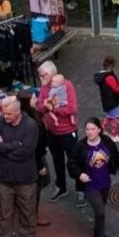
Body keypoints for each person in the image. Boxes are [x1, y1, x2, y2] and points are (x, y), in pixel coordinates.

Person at [71, 117, 119, 237]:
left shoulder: (107, 142)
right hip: (90, 184)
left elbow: (116, 156)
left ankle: (97, 230)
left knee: (100, 209)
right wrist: (80, 174)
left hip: (104, 181)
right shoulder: (80, 146)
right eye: (87, 129)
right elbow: (72, 162)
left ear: (99, 130)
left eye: (92, 129)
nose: (89, 132)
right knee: (100, 211)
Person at [0, 96, 41, 237]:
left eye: (9, 114)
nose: (5, 116)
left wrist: (4, 148)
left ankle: (29, 236)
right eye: (4, 113)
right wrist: (15, 145)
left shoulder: (31, 125)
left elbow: (26, 151)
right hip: (4, 178)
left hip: (26, 177)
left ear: (18, 112)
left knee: (27, 210)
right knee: (4, 211)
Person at [36, 61, 80, 204]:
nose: (41, 78)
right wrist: (46, 107)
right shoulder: (44, 88)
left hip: (68, 132)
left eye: (43, 75)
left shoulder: (67, 86)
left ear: (51, 73)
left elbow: (72, 109)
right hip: (52, 132)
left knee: (74, 161)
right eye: (40, 75)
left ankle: (80, 188)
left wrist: (53, 109)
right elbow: (39, 107)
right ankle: (61, 187)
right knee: (57, 161)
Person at [17, 90, 51, 227]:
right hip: (36, 157)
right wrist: (40, 165)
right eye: (33, 98)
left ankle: (27, 207)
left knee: (40, 182)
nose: (36, 99)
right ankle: (32, 214)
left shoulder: (29, 116)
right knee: (40, 182)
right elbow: (35, 147)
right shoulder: (31, 122)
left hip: (35, 155)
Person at [95, 56, 119, 142]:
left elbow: (115, 82)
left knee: (109, 116)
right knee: (115, 118)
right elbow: (116, 89)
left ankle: (99, 130)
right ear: (111, 66)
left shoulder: (103, 75)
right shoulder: (109, 77)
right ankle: (114, 135)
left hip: (107, 101)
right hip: (112, 101)